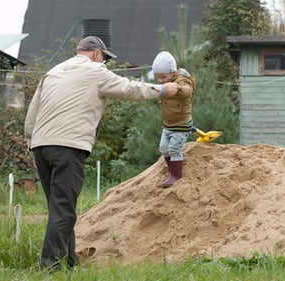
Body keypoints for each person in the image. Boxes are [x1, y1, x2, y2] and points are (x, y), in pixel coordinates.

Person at [24, 36, 179, 271]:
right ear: (97, 54)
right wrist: (162, 89)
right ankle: (50, 267)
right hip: (68, 145)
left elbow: (32, 113)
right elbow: (129, 89)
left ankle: (69, 261)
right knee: (64, 209)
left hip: (41, 145)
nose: (104, 63)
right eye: (105, 58)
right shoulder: (95, 71)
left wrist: (32, 145)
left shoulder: (54, 72)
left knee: (60, 208)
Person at [152, 51, 196, 188]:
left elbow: (188, 90)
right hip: (168, 125)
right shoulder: (166, 81)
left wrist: (179, 89)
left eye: (163, 77)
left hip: (181, 124)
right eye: (157, 78)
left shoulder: (182, 80)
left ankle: (177, 175)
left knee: (174, 148)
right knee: (163, 148)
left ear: (172, 73)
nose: (160, 81)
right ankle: (171, 172)